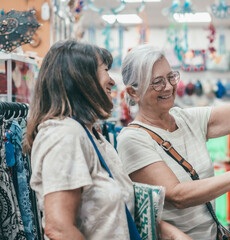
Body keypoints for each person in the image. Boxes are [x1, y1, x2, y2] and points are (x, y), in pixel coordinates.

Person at [25, 40, 190, 240]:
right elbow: (59, 229)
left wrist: (171, 233)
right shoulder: (63, 134)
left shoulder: (91, 134)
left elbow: (116, 214)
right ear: (81, 78)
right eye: (105, 70)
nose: (112, 81)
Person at [117, 44, 230, 240]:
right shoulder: (133, 139)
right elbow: (178, 195)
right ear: (133, 92)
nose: (169, 87)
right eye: (157, 82)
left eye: (171, 77)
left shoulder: (185, 119)